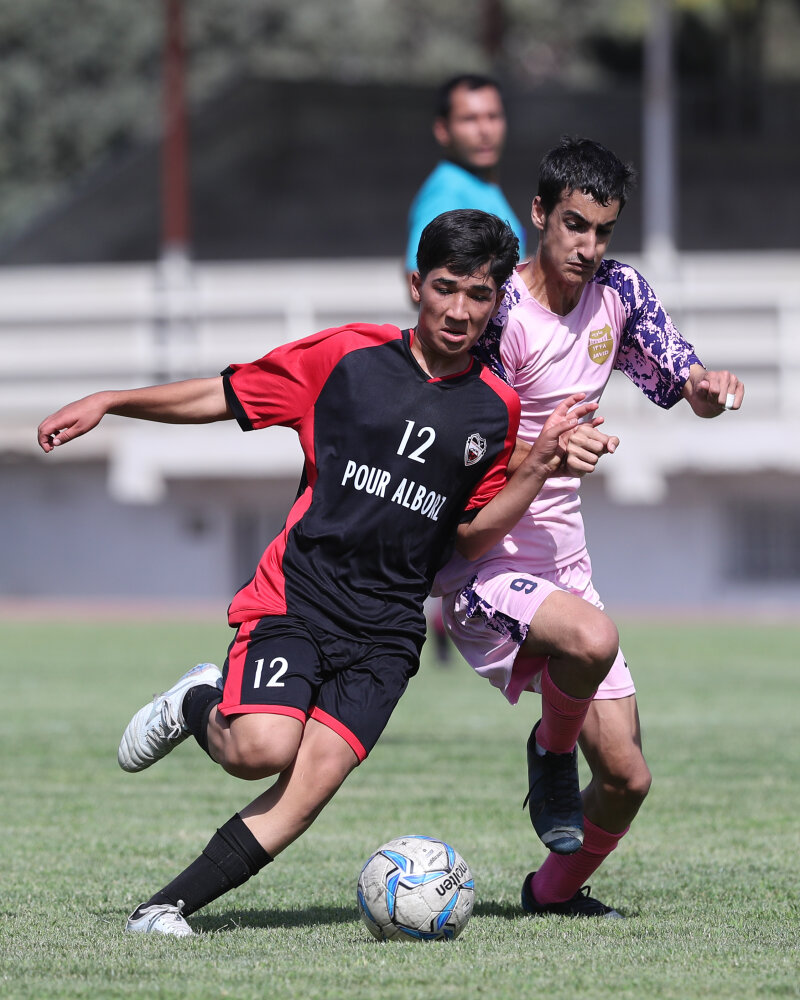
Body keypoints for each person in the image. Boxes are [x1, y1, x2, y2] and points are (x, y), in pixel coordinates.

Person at [37, 209, 601, 937]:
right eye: (445, 287)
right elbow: (223, 394)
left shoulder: (495, 410)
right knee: (259, 750)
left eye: (479, 295)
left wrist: (540, 463)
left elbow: (469, 537)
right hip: (299, 598)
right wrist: (113, 402)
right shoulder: (347, 357)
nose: (460, 311)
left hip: (387, 634)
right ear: (415, 286)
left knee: (306, 792)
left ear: (497, 303)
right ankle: (197, 700)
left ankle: (162, 910)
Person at [434, 138, 745, 918]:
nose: (589, 246)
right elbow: (463, 445)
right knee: (591, 638)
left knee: (628, 779)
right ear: (539, 213)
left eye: (603, 230)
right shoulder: (502, 308)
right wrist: (545, 452)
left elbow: (680, 375)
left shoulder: (619, 294)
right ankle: (550, 751)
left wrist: (707, 389)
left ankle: (550, 895)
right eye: (575, 224)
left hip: (564, 565)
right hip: (486, 557)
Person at [405, 74, 526, 278]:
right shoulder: (447, 190)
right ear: (443, 130)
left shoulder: (482, 183)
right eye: (470, 119)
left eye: (493, 116)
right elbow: (417, 275)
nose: (485, 130)